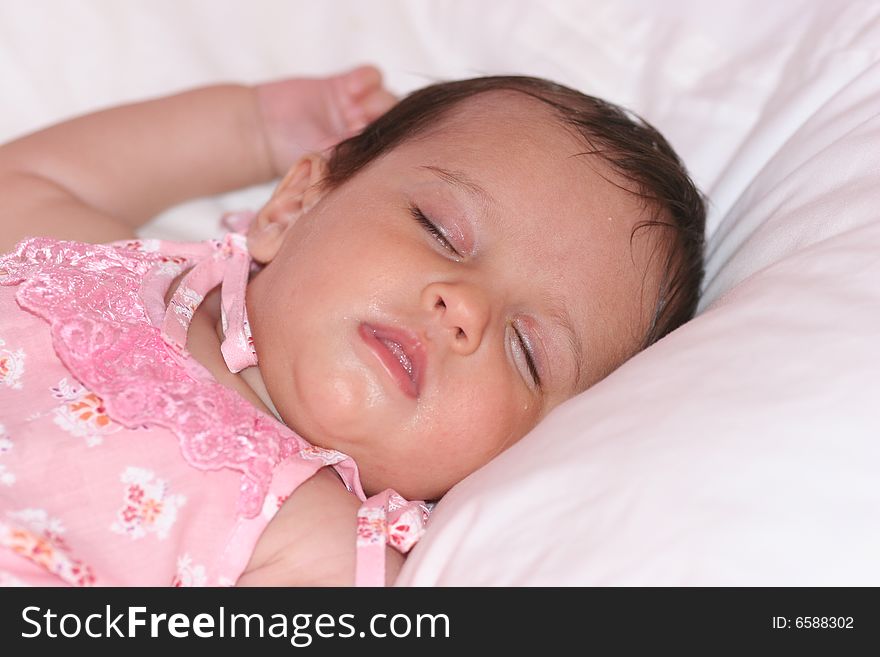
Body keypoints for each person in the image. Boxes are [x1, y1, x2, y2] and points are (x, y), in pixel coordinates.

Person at [0, 65, 705, 586]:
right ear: (292, 206)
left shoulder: (320, 551)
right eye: (440, 231)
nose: (464, 308)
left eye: (527, 351)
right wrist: (254, 127)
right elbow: (25, 184)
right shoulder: (102, 279)